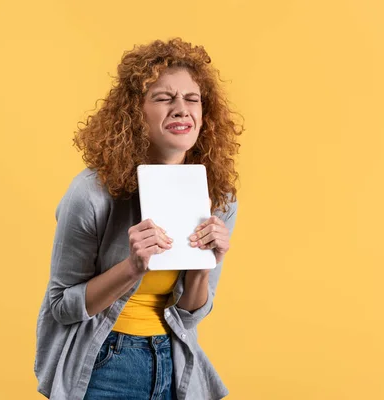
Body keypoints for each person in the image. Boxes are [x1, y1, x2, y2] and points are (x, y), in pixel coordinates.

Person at [35, 38, 242, 400]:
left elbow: (190, 317)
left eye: (192, 99)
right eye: (164, 98)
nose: (181, 109)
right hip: (103, 361)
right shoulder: (91, 193)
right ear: (135, 112)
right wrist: (132, 267)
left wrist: (203, 268)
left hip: (173, 360)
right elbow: (61, 307)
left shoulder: (219, 198)